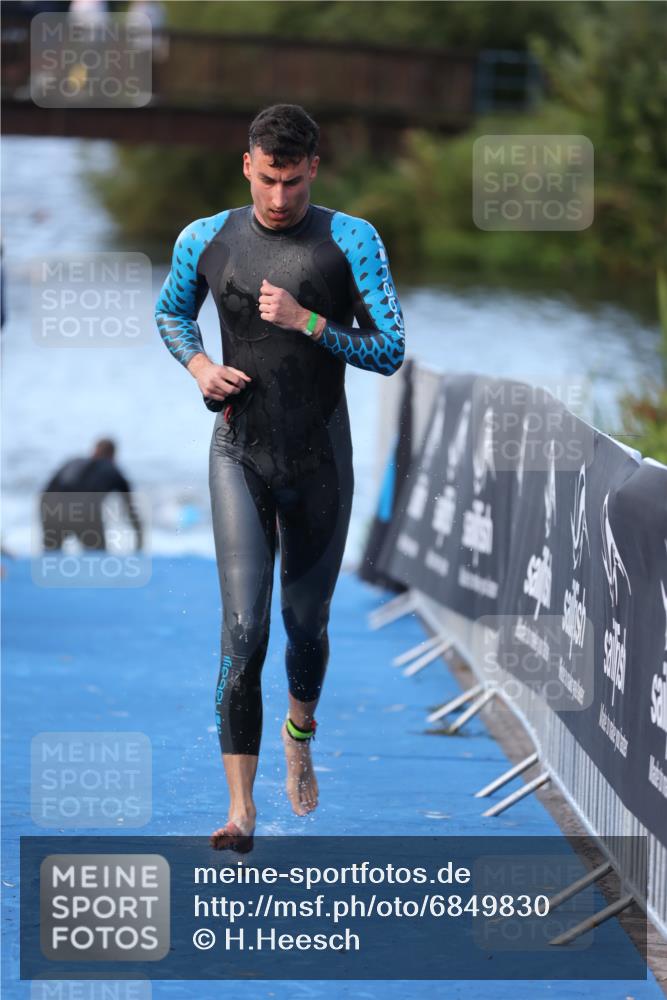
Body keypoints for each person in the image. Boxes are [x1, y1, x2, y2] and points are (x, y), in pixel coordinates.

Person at [155, 103, 405, 850]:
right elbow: (171, 315)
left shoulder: (350, 240)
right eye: (267, 180)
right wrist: (199, 365)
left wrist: (309, 323)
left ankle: (300, 732)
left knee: (305, 627)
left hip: (320, 460)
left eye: (292, 183)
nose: (277, 198)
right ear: (247, 166)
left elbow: (389, 348)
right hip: (239, 453)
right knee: (243, 630)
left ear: (313, 171)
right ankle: (240, 811)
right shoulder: (205, 238)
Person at [40, 438, 142, 551]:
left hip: (53, 509)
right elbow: (130, 508)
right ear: (113, 455)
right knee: (97, 559)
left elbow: (47, 491)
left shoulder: (73, 462)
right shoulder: (113, 470)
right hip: (85, 514)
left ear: (94, 451)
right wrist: (140, 541)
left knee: (51, 555)